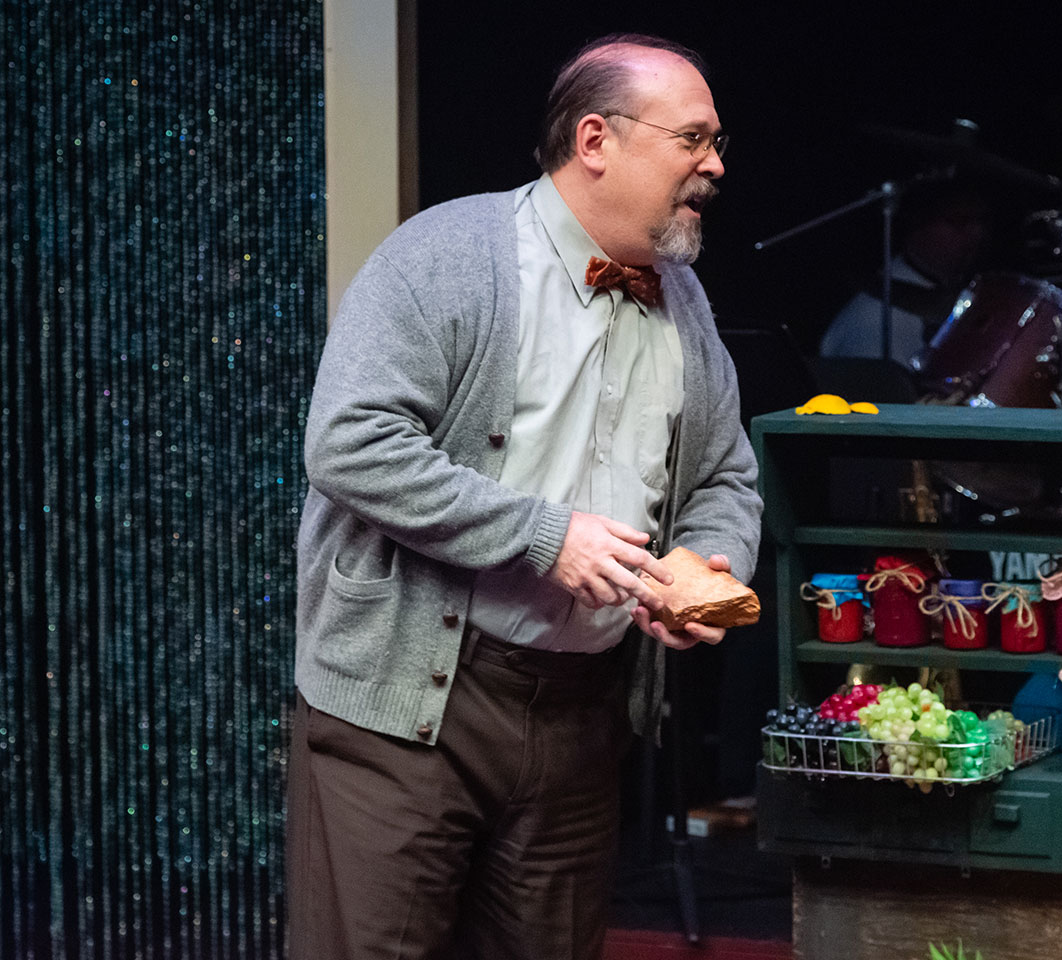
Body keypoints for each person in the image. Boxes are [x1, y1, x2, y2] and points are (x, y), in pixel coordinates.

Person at [288, 34, 761, 960]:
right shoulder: (448, 255)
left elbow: (723, 477)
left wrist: (706, 564)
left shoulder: (684, 301)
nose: (713, 165)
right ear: (597, 140)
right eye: (692, 139)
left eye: (718, 144)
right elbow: (349, 443)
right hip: (411, 703)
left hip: (582, 714)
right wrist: (546, 537)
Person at [818, 178, 992, 364]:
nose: (977, 234)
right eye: (959, 222)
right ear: (917, 225)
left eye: (981, 222)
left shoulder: (960, 291)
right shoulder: (877, 321)